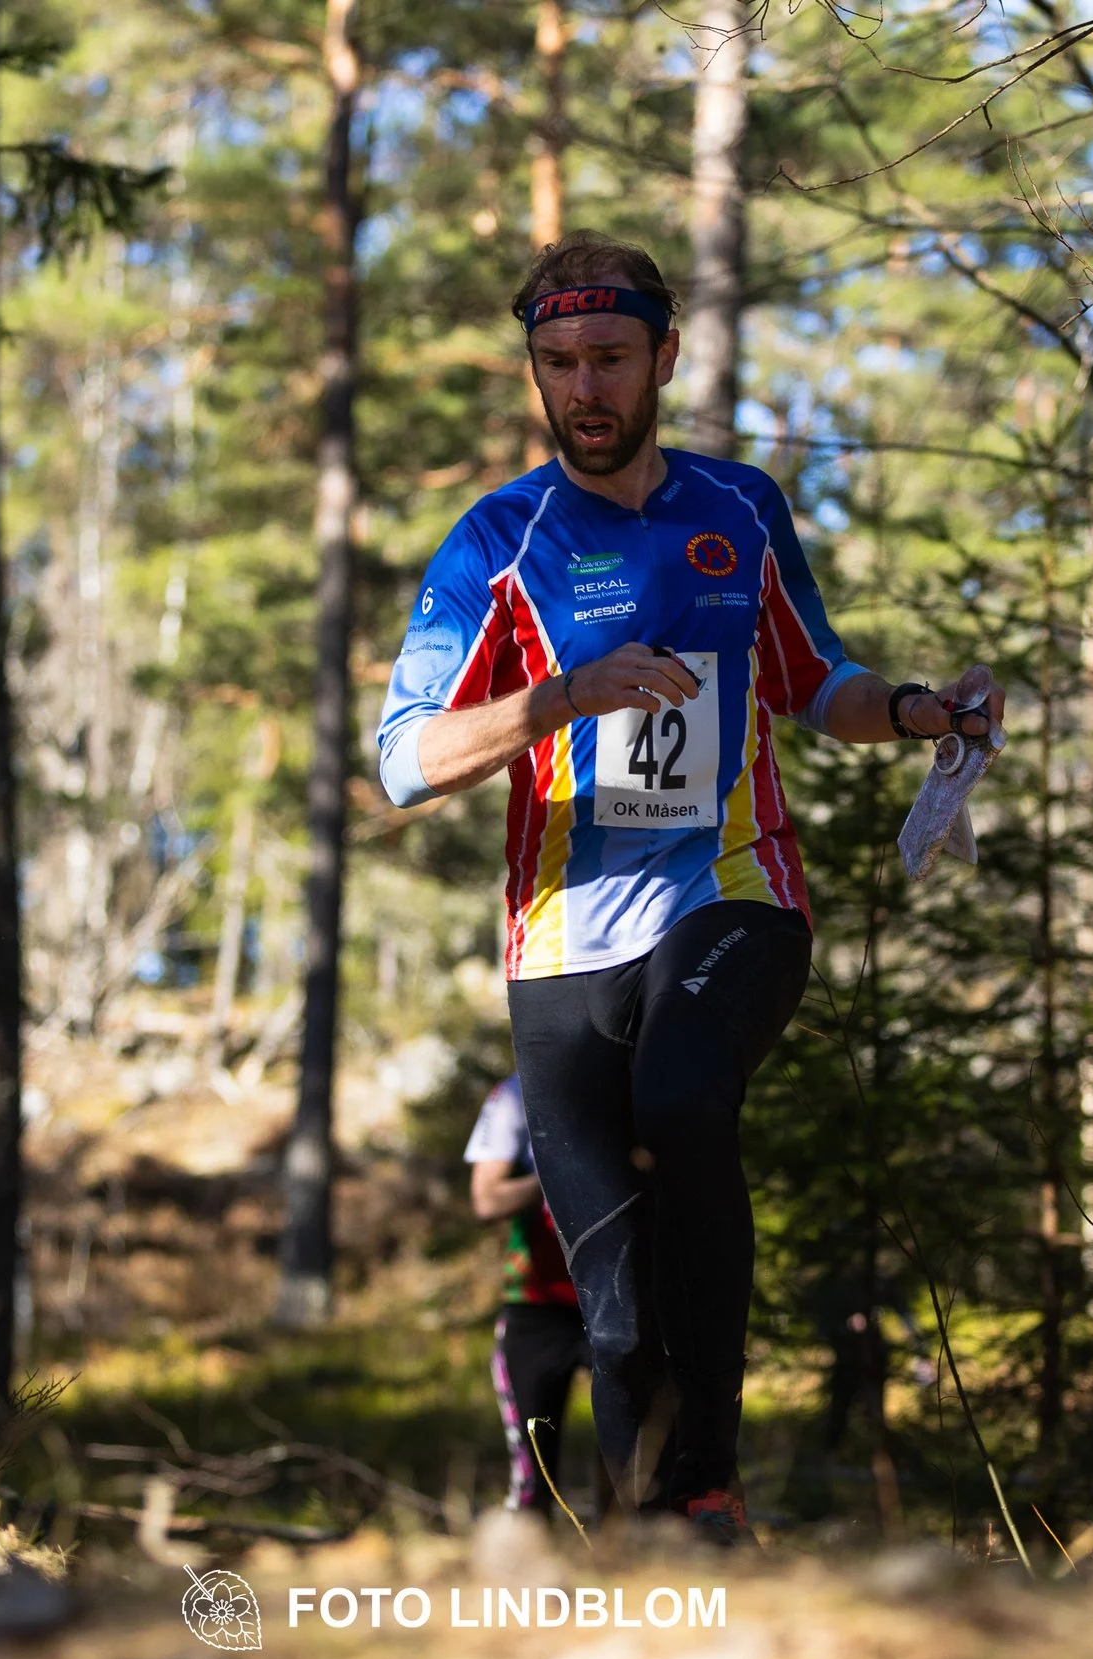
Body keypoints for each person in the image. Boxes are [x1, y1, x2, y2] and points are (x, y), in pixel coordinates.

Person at [376, 230, 1004, 1544]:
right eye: (558, 364)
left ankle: (709, 1476)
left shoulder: (739, 507)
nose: (586, 388)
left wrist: (908, 707)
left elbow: (808, 679)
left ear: (665, 355)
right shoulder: (498, 537)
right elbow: (404, 757)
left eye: (611, 357)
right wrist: (559, 695)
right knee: (606, 1299)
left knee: (683, 1093)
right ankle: (650, 1544)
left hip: (731, 894)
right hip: (558, 945)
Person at [464, 1073, 590, 1517]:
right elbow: (486, 1200)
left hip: (622, 1300)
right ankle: (528, 1576)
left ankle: (628, 1564)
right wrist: (559, 1174)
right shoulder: (516, 1093)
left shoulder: (643, 1074)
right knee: (534, 1482)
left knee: (637, 1469)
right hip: (537, 1304)